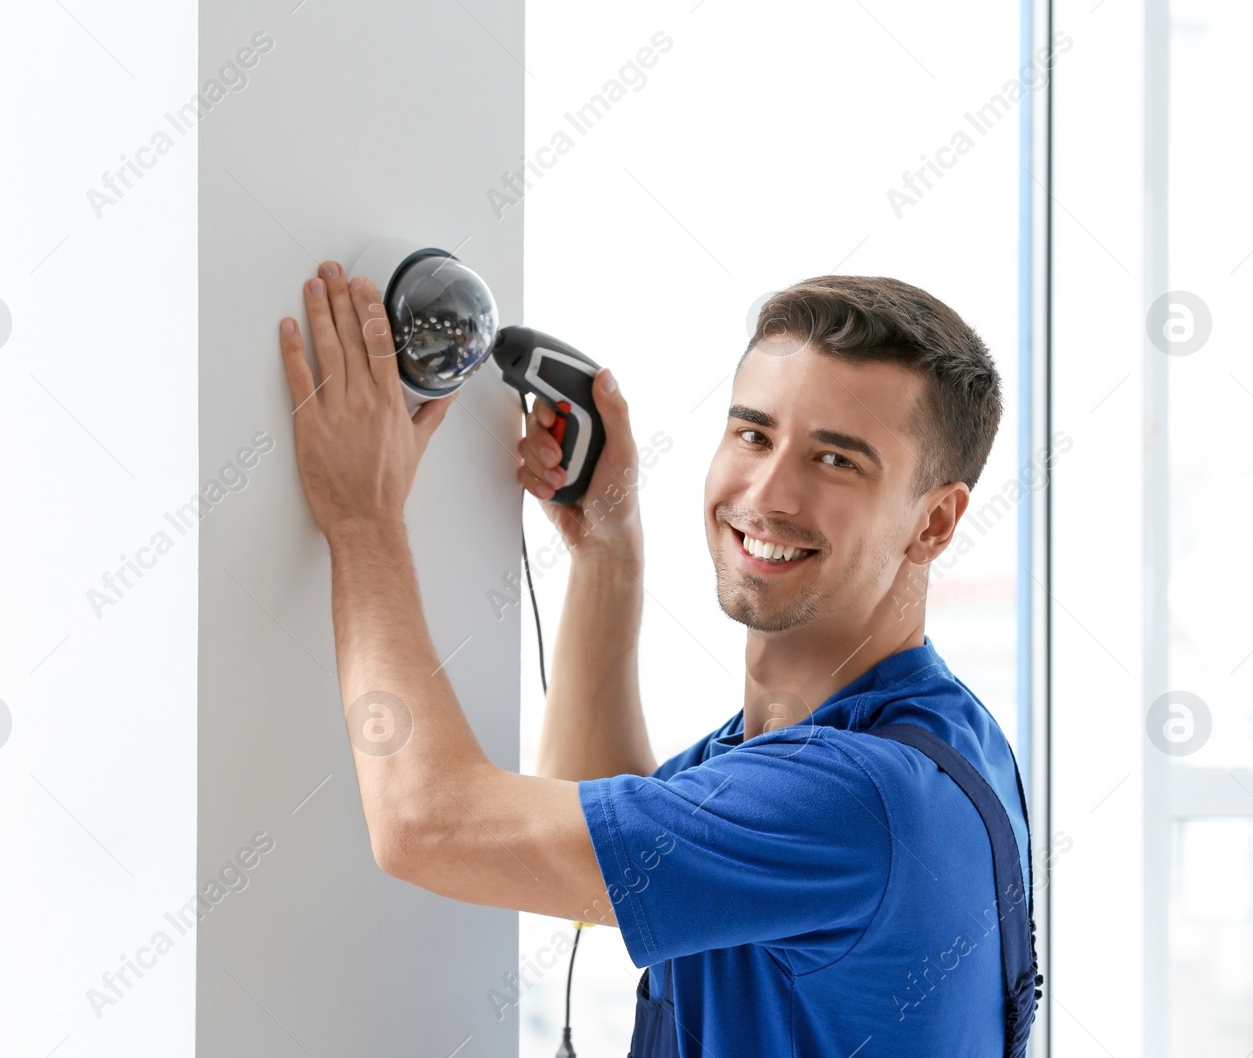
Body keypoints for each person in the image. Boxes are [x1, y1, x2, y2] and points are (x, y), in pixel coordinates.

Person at [278, 261, 1039, 1056]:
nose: (769, 491)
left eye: (836, 459)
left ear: (936, 521)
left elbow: (426, 823)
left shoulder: (856, 797)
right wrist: (607, 550)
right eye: (754, 433)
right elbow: (589, 836)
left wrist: (363, 521)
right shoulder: (917, 733)